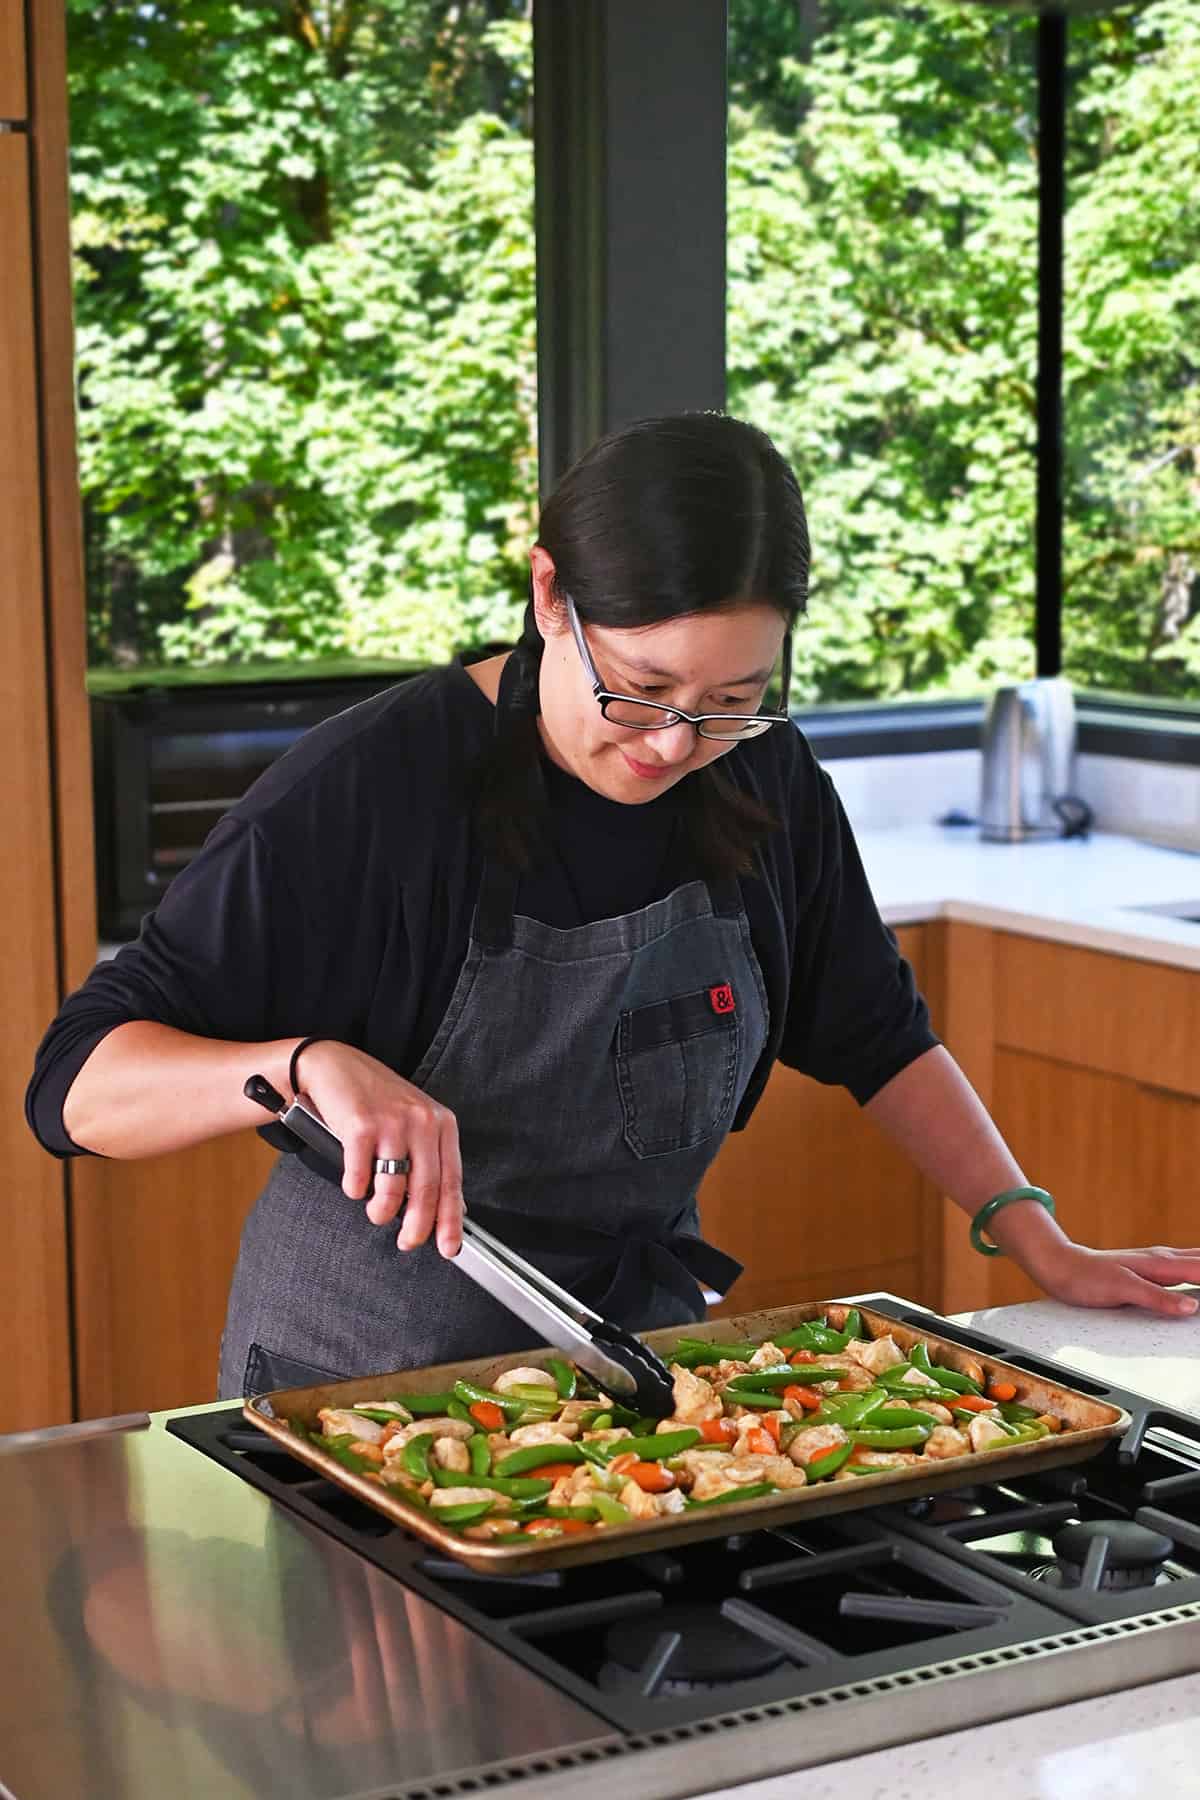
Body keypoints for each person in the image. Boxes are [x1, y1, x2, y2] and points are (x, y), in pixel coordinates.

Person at [26, 413, 1200, 1400]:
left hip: (627, 1368)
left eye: (732, 699)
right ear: (549, 595)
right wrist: (303, 1064)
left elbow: (877, 1031)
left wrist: (1034, 1230)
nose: (675, 745)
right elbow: (76, 1084)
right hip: (367, 1384)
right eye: (640, 692)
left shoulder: (760, 774)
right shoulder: (369, 791)